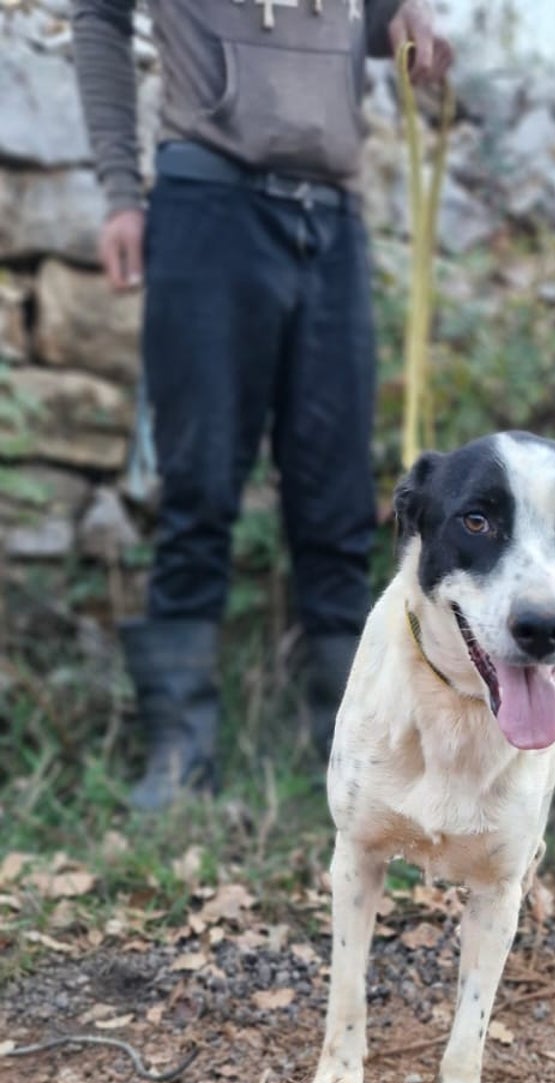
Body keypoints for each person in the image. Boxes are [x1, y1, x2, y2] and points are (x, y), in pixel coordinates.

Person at [72, 0, 453, 812]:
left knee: (340, 504)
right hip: (208, 204)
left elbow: (380, 21)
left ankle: (355, 756)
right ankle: (181, 759)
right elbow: (98, 17)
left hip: (334, 221)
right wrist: (117, 190)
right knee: (200, 483)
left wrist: (410, 27)